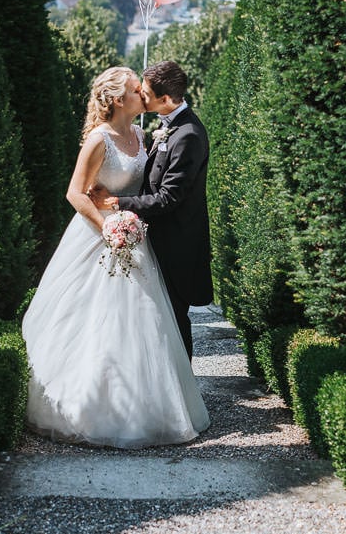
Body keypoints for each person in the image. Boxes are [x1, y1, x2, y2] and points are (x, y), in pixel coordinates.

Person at [21, 66, 209, 449]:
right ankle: (92, 407)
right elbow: (76, 193)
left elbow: (155, 188)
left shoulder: (141, 135)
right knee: (96, 324)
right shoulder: (98, 139)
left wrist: (123, 217)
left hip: (136, 237)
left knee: (145, 326)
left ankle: (146, 407)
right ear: (120, 100)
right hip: (99, 237)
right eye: (135, 89)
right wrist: (106, 226)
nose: (143, 92)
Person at [92, 60, 213, 358]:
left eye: (144, 93)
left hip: (176, 245)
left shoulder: (188, 136)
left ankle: (182, 392)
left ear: (166, 100)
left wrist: (116, 202)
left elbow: (168, 198)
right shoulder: (167, 125)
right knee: (154, 320)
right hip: (154, 240)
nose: (140, 96)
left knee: (173, 320)